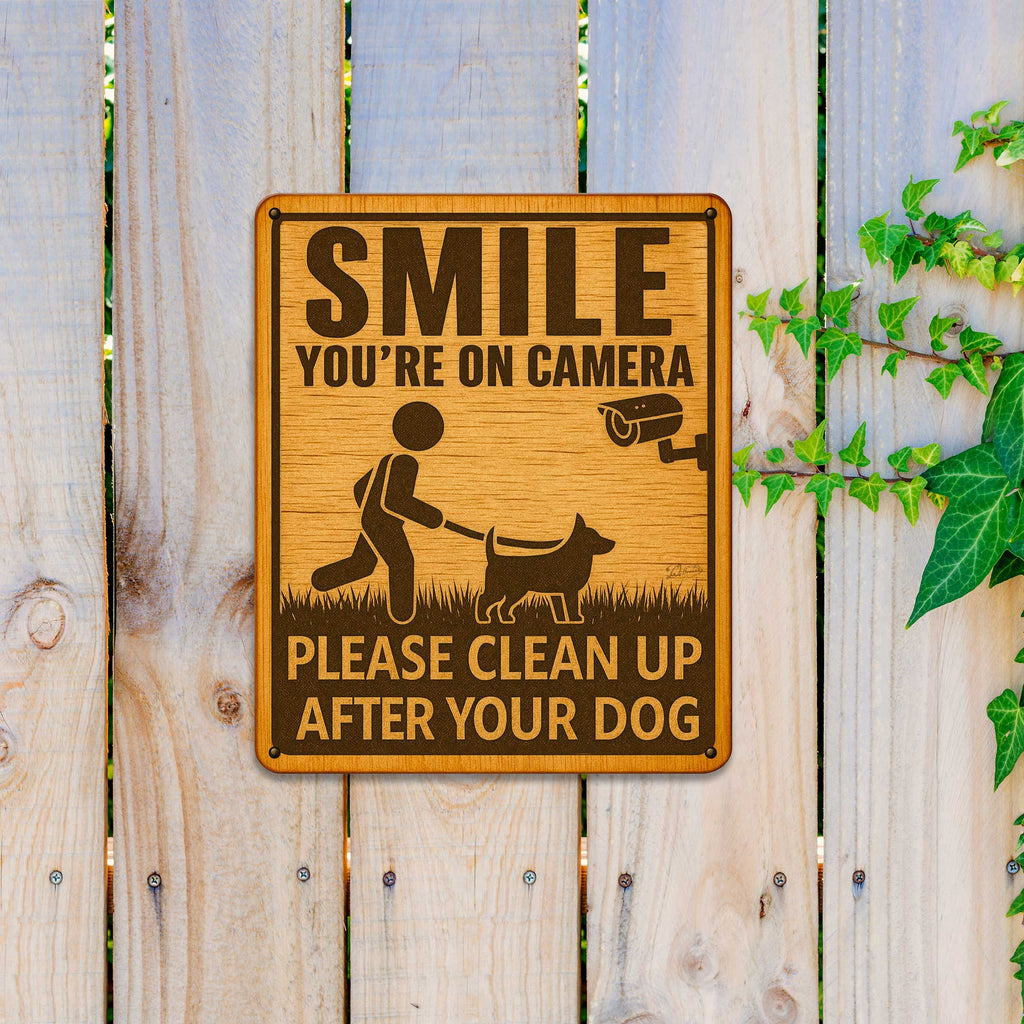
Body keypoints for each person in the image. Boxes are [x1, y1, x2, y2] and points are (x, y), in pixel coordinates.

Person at [311, 402, 445, 624]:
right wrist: (432, 517)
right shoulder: (406, 462)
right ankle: (403, 617)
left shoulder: (387, 460)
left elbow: (360, 487)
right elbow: (396, 501)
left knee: (362, 564)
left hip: (372, 519)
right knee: (402, 562)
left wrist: (370, 511)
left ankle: (321, 580)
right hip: (384, 523)